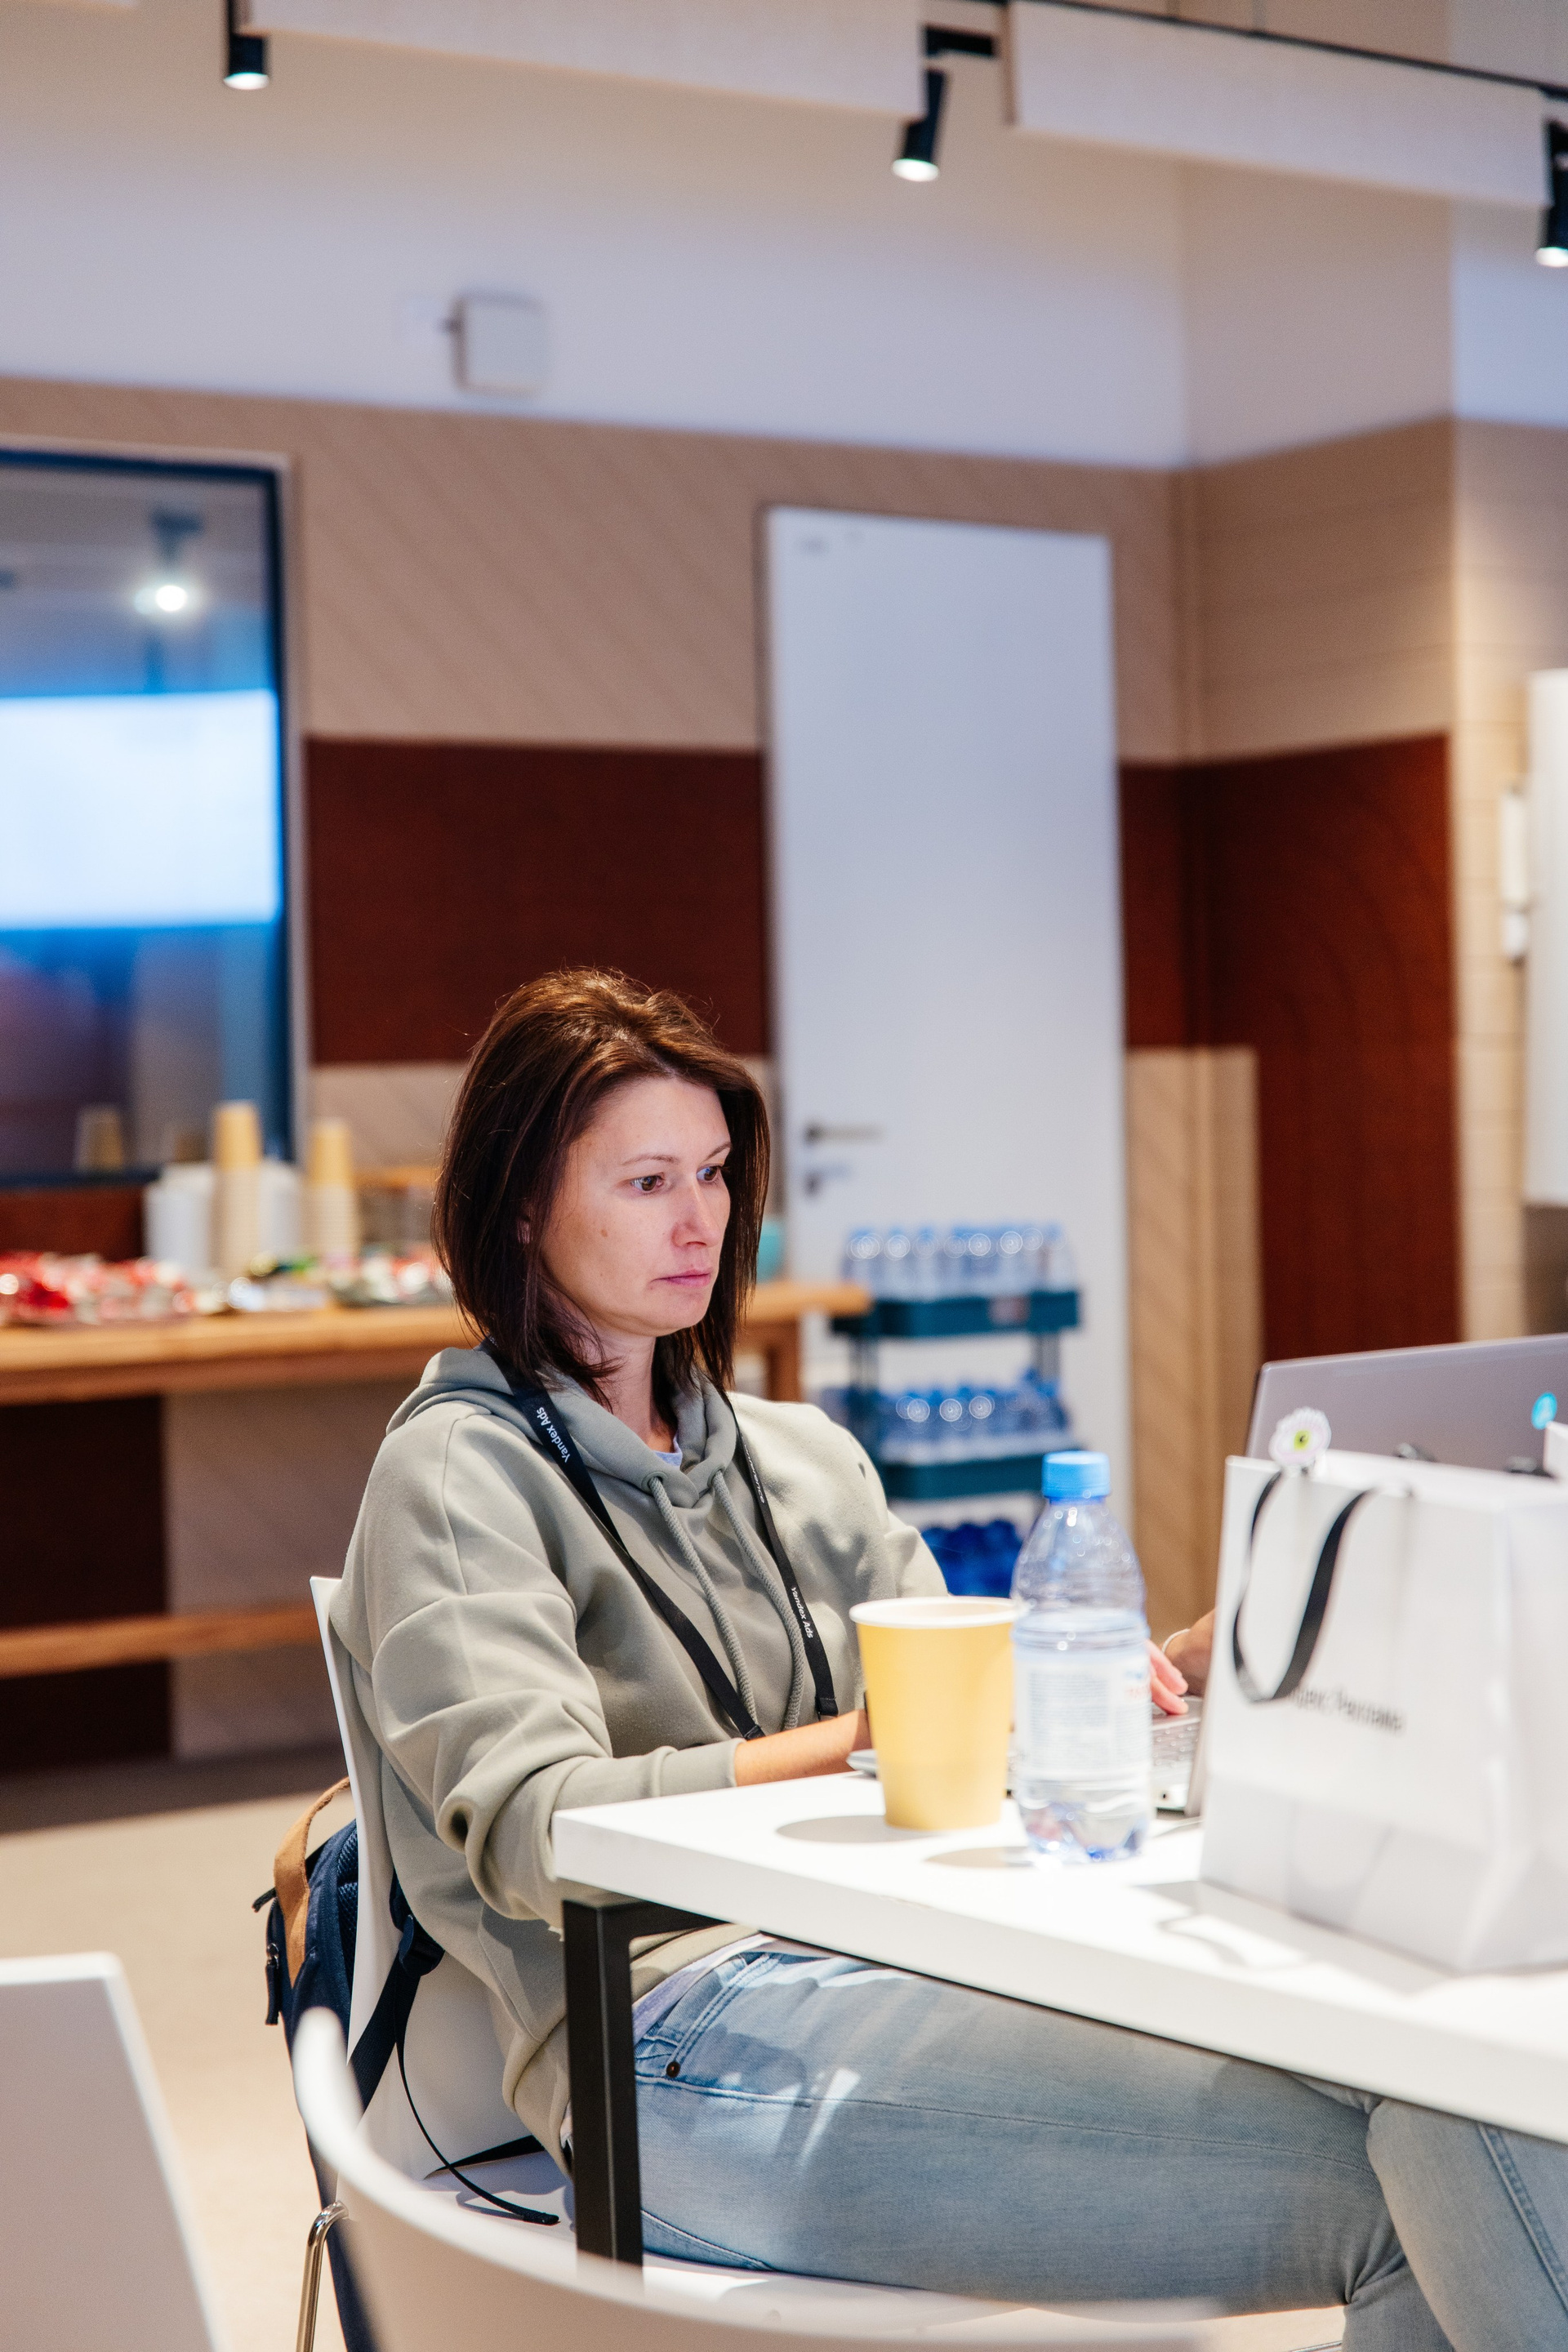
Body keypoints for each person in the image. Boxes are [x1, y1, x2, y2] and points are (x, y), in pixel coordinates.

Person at [334, 969, 1567, 2352]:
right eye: (646, 1183)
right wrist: (872, 1736)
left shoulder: (802, 1457)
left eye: (716, 1173)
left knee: (1448, 2084)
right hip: (669, 2047)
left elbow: (978, 1738)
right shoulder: (460, 1475)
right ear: (519, 1206)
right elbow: (531, 1827)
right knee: (1437, 2159)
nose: (701, 1220)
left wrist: (1152, 1685)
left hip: (913, 1961)